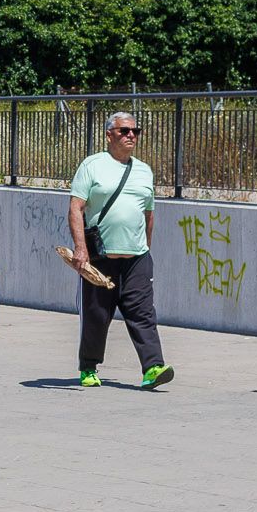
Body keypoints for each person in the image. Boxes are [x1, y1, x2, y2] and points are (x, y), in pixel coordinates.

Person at [68, 110, 173, 390]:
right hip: (101, 257)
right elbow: (76, 208)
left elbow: (148, 214)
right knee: (97, 315)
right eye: (124, 131)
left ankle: (153, 367)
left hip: (136, 258)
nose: (130, 136)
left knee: (143, 313)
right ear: (109, 135)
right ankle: (88, 367)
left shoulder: (143, 170)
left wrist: (145, 250)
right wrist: (81, 249)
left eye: (135, 132)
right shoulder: (92, 166)